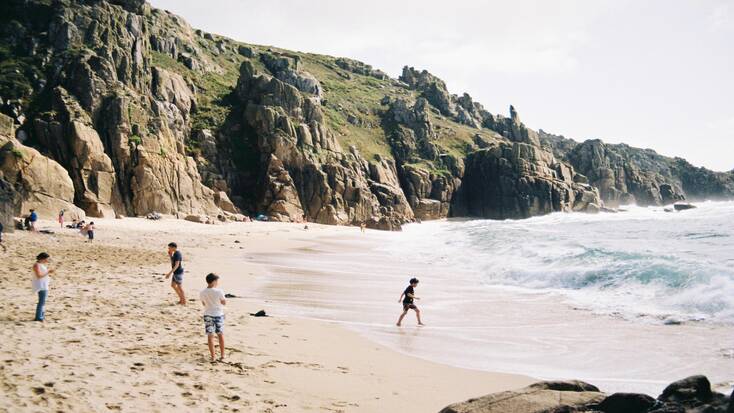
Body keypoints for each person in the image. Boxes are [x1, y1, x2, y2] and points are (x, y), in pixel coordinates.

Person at [200, 273, 226, 361]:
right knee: (220, 335)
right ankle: (222, 355)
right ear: (214, 281)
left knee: (210, 336)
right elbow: (224, 302)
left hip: (208, 314)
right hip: (218, 314)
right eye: (217, 281)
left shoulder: (202, 292)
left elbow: (203, 303)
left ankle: (213, 356)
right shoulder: (219, 291)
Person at [32, 252, 54, 321]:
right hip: (41, 285)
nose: (47, 260)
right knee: (41, 301)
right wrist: (48, 272)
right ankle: (38, 317)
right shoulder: (36, 265)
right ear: (43, 259)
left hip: (44, 284)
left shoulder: (41, 264)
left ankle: (41, 315)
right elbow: (39, 276)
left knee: (43, 301)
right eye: (47, 259)